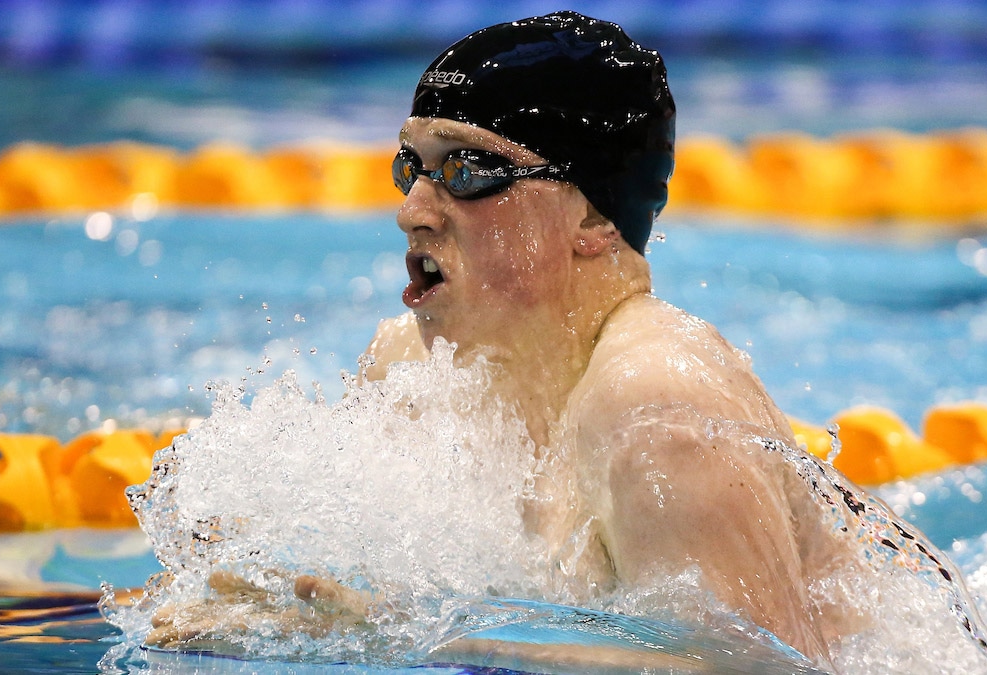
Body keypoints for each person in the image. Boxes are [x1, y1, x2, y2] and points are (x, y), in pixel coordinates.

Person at [149, 11, 853, 669]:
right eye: (412, 167)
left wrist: (408, 642)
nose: (411, 211)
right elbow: (354, 587)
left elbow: (764, 668)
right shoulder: (411, 365)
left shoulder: (657, 420)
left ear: (593, 219)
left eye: (468, 170)